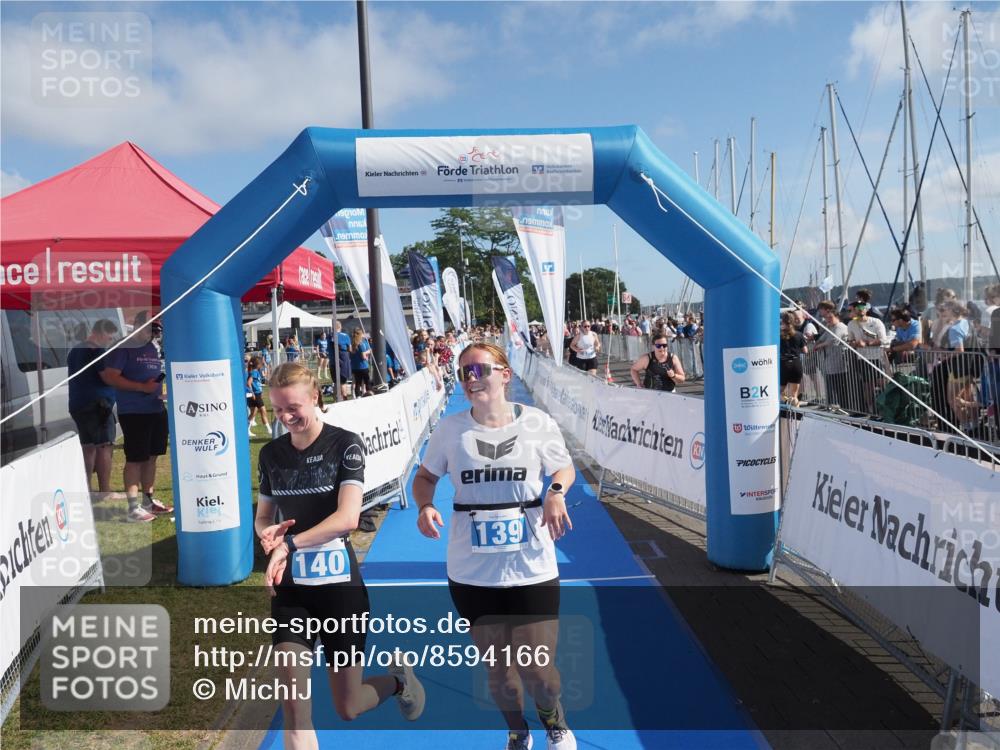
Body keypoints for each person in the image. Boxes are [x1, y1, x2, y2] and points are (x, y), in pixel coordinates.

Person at [412, 343, 577, 750]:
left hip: (531, 566)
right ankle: (518, 731)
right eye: (463, 372)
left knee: (538, 670)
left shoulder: (535, 423)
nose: (471, 378)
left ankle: (554, 721)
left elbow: (563, 467)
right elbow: (425, 477)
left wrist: (555, 491)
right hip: (471, 571)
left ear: (504, 374)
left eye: (479, 369)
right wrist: (424, 506)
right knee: (499, 671)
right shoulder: (450, 430)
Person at [256, 363, 425, 746]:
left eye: (293, 407)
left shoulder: (344, 443)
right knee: (295, 709)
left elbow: (347, 518)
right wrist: (268, 534)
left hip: (339, 591)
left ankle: (399, 681)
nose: (285, 417)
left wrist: (290, 543)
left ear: (316, 396)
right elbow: (265, 516)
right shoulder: (270, 454)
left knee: (348, 706)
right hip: (291, 592)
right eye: (278, 409)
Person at [103, 312, 173, 522]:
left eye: (157, 331)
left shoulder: (152, 347)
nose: (154, 334)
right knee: (135, 459)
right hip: (134, 411)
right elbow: (110, 376)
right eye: (152, 329)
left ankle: (147, 500)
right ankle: (133, 508)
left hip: (156, 408)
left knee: (152, 457)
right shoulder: (124, 346)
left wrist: (158, 390)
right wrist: (141, 387)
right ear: (138, 325)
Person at [68, 319, 124, 501]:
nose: (110, 340)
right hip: (97, 405)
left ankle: (87, 488)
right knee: (104, 446)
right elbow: (107, 377)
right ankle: (105, 491)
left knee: (88, 447)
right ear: (99, 332)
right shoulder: (97, 351)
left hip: (78, 404)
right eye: (109, 336)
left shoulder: (76, 350)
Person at [779, 312, 808, 406]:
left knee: (778, 392)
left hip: (783, 363)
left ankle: (785, 403)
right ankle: (796, 416)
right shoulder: (799, 334)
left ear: (782, 321)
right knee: (794, 395)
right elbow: (805, 350)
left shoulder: (778, 335)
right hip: (796, 363)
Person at [246, 355, 270, 437]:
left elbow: (256, 383)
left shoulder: (255, 371)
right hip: (255, 395)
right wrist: (252, 393)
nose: (262, 365)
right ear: (258, 364)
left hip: (257, 394)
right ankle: (269, 430)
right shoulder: (254, 372)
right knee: (263, 411)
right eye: (261, 364)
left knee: (253, 413)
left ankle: (247, 430)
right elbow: (249, 383)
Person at [349, 328, 371, 396]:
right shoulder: (361, 344)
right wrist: (369, 351)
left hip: (355, 367)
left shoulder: (351, 344)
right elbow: (363, 356)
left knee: (357, 383)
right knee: (367, 383)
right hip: (363, 366)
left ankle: (358, 396)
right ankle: (369, 395)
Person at [335, 321, 353, 400]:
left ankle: (339, 398)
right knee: (343, 380)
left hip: (336, 357)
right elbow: (350, 348)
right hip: (344, 356)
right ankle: (344, 398)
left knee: (338, 381)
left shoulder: (332, 335)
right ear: (340, 327)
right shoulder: (346, 335)